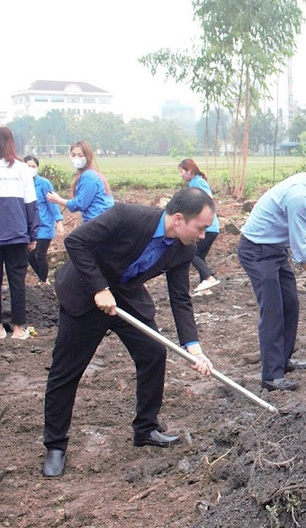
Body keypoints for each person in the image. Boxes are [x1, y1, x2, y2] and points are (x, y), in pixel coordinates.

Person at [42, 187, 216, 478]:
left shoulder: (184, 249)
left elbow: (180, 298)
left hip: (126, 297)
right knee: (66, 370)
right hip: (86, 292)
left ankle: (146, 428)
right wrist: (99, 288)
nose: (202, 236)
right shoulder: (126, 217)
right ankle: (55, 446)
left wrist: (193, 347)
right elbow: (75, 241)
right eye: (201, 228)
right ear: (177, 219)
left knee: (154, 352)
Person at [238, 152, 306, 391]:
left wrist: (305, 233)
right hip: (257, 251)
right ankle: (271, 376)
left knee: (290, 304)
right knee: (273, 311)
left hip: (275, 248)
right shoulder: (300, 193)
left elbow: (293, 221)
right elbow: (300, 253)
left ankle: (283, 360)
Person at [0, 128, 39, 340]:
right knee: (17, 283)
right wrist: (33, 234)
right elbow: (30, 203)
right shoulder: (23, 169)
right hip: (16, 234)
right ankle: (18, 328)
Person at [178, 158, 221, 293]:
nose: (180, 175)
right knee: (200, 256)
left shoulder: (199, 182)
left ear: (189, 171)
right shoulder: (194, 183)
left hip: (206, 227)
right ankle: (205, 288)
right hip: (210, 227)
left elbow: (207, 201)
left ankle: (209, 277)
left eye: (181, 171)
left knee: (192, 254)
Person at [46, 140, 114, 223]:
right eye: (73, 155)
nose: (76, 159)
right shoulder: (91, 174)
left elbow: (80, 204)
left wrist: (58, 200)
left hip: (97, 222)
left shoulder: (89, 176)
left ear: (88, 156)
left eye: (80, 155)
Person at [23, 155, 63, 285]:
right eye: (28, 166)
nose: (31, 169)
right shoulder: (22, 183)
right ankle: (44, 279)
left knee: (40, 254)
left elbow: (52, 203)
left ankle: (43, 281)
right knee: (30, 256)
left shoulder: (44, 183)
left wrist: (59, 221)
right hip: (30, 227)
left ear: (37, 168)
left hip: (45, 226)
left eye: (33, 166)